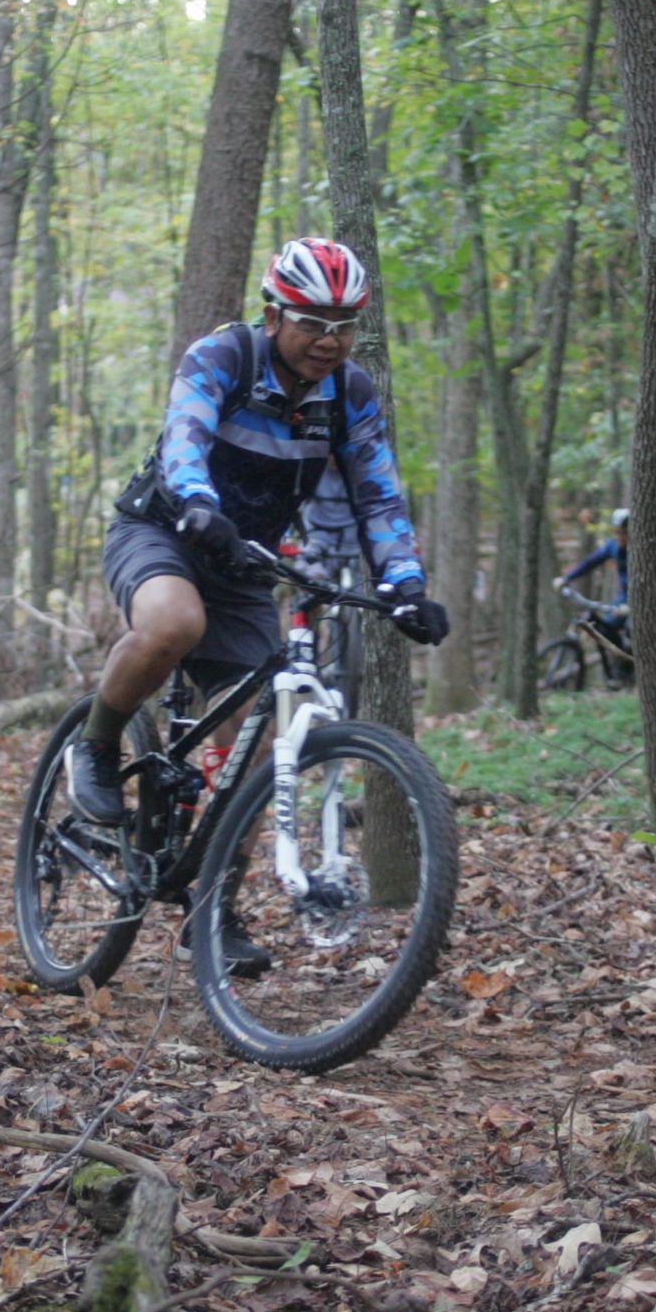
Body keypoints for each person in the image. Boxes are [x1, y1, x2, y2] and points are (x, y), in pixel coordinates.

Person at [70, 238, 452, 967]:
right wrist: (198, 503)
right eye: (312, 322)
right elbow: (185, 435)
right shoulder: (223, 356)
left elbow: (378, 495)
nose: (329, 340)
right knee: (175, 623)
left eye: (344, 325)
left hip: (246, 564)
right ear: (274, 315)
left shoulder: (350, 396)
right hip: (165, 530)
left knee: (258, 744)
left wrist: (406, 584)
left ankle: (212, 911)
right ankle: (95, 742)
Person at [556, 508, 632, 660]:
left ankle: (630, 661)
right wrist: (567, 578)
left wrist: (632, 605)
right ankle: (621, 664)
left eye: (623, 533)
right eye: (616, 533)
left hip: (639, 598)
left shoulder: (641, 550)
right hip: (624, 595)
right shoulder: (613, 546)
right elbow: (590, 562)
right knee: (608, 625)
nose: (619, 537)